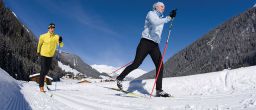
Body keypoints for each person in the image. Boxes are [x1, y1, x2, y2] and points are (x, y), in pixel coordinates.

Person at [116, 2, 176, 97]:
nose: (163, 8)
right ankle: (120, 78)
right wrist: (168, 18)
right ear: (156, 7)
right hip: (145, 42)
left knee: (160, 66)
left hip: (155, 45)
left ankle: (159, 90)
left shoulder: (161, 18)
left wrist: (171, 17)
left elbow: (160, 24)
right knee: (137, 63)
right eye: (161, 6)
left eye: (164, 7)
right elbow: (155, 22)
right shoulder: (151, 14)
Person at [37, 23, 64, 92]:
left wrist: (60, 41)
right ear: (48, 29)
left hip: (50, 56)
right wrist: (38, 51)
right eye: (51, 28)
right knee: (43, 70)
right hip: (43, 55)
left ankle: (44, 77)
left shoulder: (56, 37)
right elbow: (39, 44)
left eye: (53, 28)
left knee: (47, 70)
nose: (52, 29)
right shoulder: (43, 36)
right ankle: (41, 86)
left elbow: (61, 46)